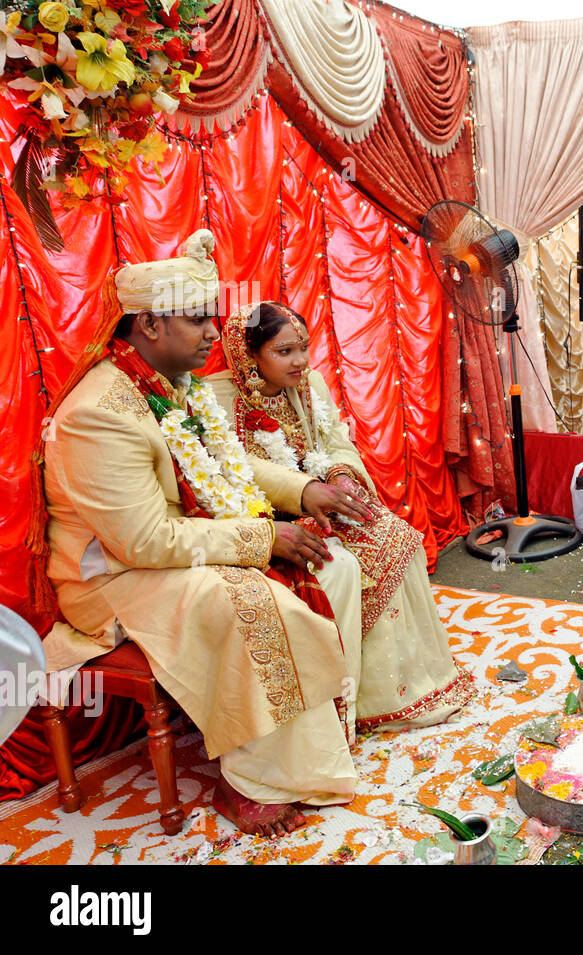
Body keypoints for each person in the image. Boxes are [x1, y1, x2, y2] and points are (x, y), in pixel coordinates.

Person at [39, 230, 376, 836]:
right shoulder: (100, 414)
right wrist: (261, 540)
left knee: (333, 563)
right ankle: (252, 779)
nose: (215, 336)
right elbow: (142, 542)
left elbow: (229, 467)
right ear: (148, 326)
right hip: (114, 577)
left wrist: (298, 494)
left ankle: (321, 743)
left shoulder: (176, 387)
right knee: (253, 600)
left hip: (174, 546)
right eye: (198, 321)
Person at [209, 302, 477, 736]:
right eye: (284, 352)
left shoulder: (309, 383)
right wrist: (303, 492)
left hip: (327, 498)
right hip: (269, 517)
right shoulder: (218, 397)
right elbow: (234, 466)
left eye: (304, 348)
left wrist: (341, 475)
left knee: (401, 538)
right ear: (249, 355)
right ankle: (362, 700)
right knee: (358, 559)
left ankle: (405, 685)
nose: (300, 361)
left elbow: (335, 442)